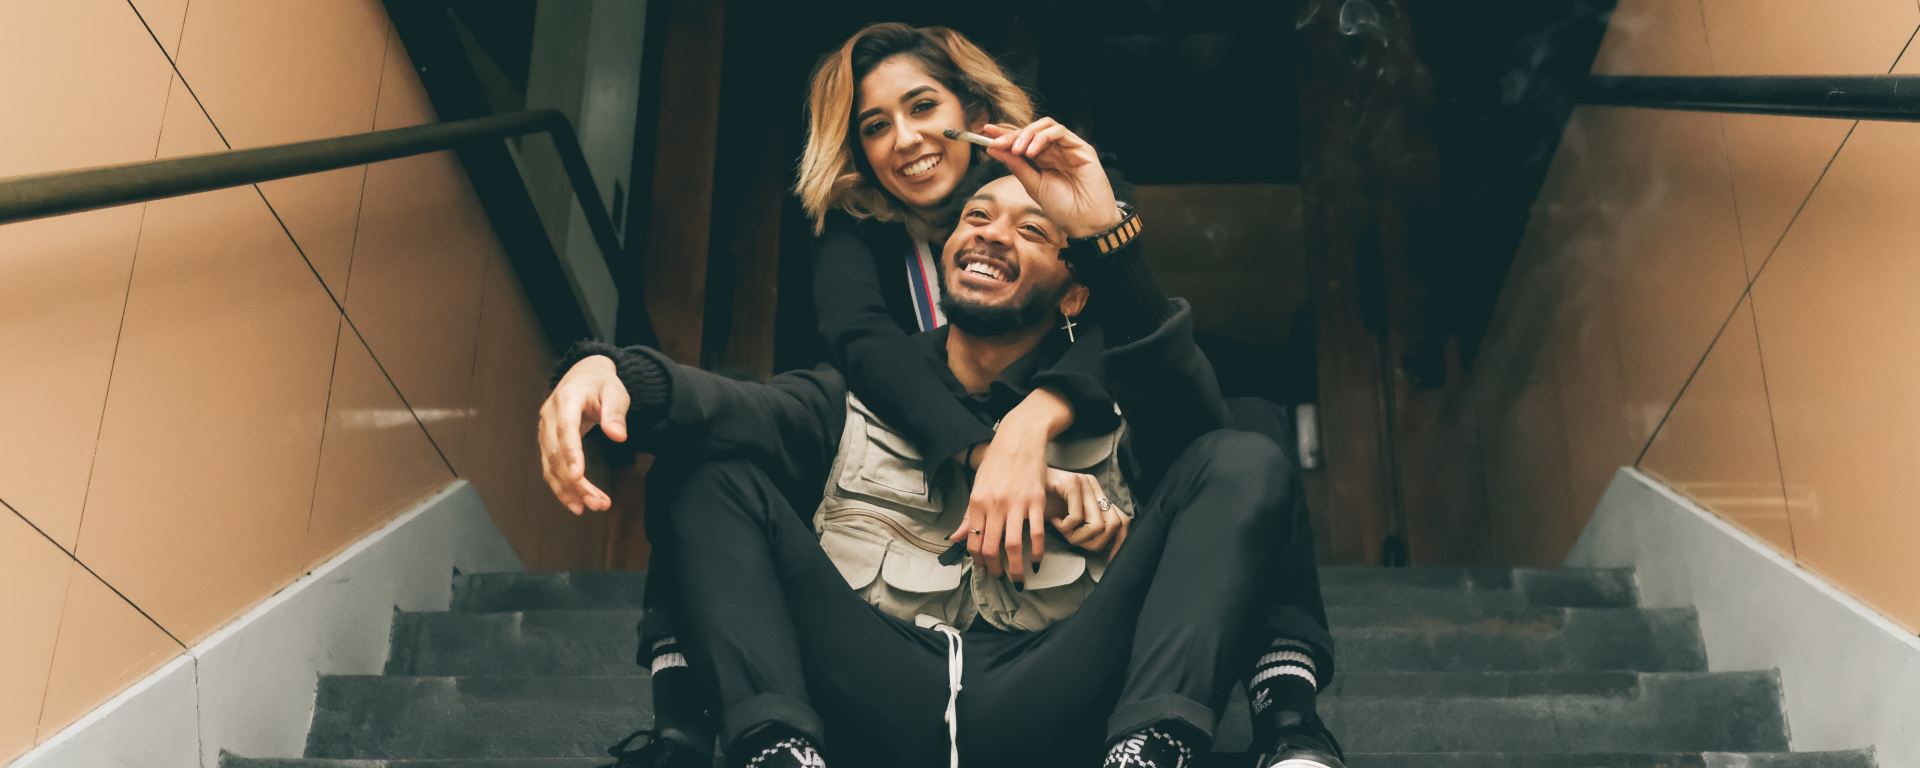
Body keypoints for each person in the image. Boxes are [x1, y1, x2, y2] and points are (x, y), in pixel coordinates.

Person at [544, 22, 1341, 768]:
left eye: (1032, 231)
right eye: (875, 125)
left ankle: (1256, 723)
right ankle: (741, 739)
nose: (906, 140)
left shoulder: (1073, 198)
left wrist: (1047, 417)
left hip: (1057, 673)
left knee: (1246, 440)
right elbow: (850, 351)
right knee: (709, 457)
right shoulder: (856, 241)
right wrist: (607, 368)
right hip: (878, 665)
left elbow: (1146, 360)